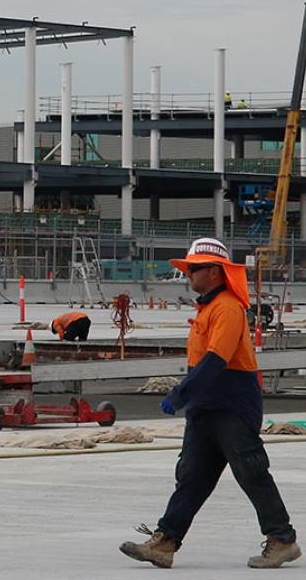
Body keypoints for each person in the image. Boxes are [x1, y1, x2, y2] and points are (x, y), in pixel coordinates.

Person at [119, 237, 299, 569]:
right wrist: (191, 396)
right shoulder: (208, 308)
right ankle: (166, 541)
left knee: (251, 472)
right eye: (188, 268)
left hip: (230, 405)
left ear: (215, 272)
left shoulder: (228, 307)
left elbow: (216, 360)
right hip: (206, 406)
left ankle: (282, 539)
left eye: (194, 268)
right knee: (191, 476)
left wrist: (181, 392)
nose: (188, 274)